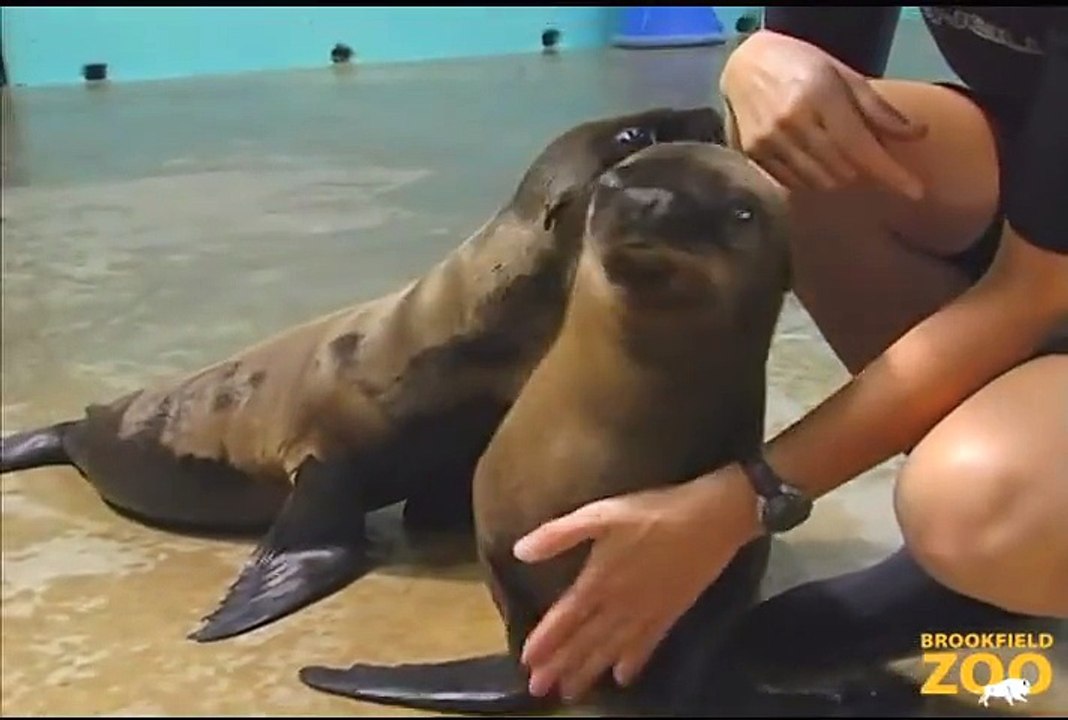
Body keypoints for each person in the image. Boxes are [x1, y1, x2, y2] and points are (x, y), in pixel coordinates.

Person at [509, 6, 1068, 703]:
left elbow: (1033, 293)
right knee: (807, 137)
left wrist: (747, 498)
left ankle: (1016, 533)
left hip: (1047, 272)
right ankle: (997, 558)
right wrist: (753, 60)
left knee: (976, 506)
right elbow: (804, 79)